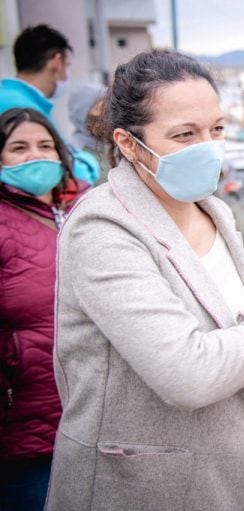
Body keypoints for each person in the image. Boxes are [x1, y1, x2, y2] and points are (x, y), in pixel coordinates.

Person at [46, 49, 244, 510]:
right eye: (184, 135)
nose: (208, 147)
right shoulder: (103, 228)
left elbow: (238, 309)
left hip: (236, 466)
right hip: (151, 484)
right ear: (129, 144)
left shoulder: (214, 210)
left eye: (216, 129)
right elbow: (188, 372)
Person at [0, 108, 87, 511]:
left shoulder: (87, 206)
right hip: (24, 430)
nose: (35, 155)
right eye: (18, 148)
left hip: (93, 416)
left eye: (44, 145)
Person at [0, 24, 99, 185]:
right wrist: (88, 166)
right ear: (57, 62)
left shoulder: (11, 97)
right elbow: (71, 169)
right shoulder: (23, 108)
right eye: (67, 66)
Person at [67, 83, 107, 184]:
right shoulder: (75, 154)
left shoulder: (106, 147)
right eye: (101, 108)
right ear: (83, 113)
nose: (109, 114)